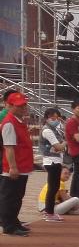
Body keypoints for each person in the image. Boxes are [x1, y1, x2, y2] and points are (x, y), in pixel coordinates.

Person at [0, 92, 33, 236]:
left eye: (24, 105)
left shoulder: (19, 121)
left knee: (17, 197)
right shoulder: (9, 123)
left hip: (23, 165)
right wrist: (13, 167)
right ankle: (8, 225)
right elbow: (9, 147)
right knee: (10, 197)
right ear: (10, 106)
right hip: (15, 167)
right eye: (19, 106)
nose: (23, 108)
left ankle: (13, 221)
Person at [39, 108, 68, 222]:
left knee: (54, 186)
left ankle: (49, 211)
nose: (55, 120)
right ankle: (49, 212)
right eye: (52, 118)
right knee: (53, 187)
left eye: (57, 118)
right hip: (51, 161)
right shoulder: (47, 130)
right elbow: (58, 147)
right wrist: (65, 142)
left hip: (55, 160)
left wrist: (63, 123)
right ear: (46, 118)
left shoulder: (55, 129)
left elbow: (62, 141)